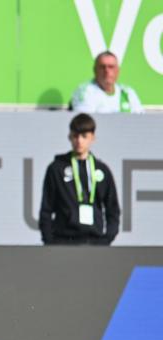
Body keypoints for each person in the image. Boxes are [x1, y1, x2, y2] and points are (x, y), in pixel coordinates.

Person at [39, 113, 120, 245]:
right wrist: (49, 242)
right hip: (63, 240)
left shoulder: (102, 170)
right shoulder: (57, 168)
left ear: (92, 138)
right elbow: (46, 209)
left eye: (84, 136)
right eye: (75, 136)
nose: (79, 141)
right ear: (69, 136)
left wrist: (106, 239)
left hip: (94, 241)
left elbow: (113, 209)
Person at [71, 51, 143, 113]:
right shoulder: (85, 91)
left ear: (118, 70)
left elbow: (140, 120)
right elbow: (84, 124)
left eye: (111, 67)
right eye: (102, 67)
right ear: (95, 70)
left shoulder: (128, 92)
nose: (107, 71)